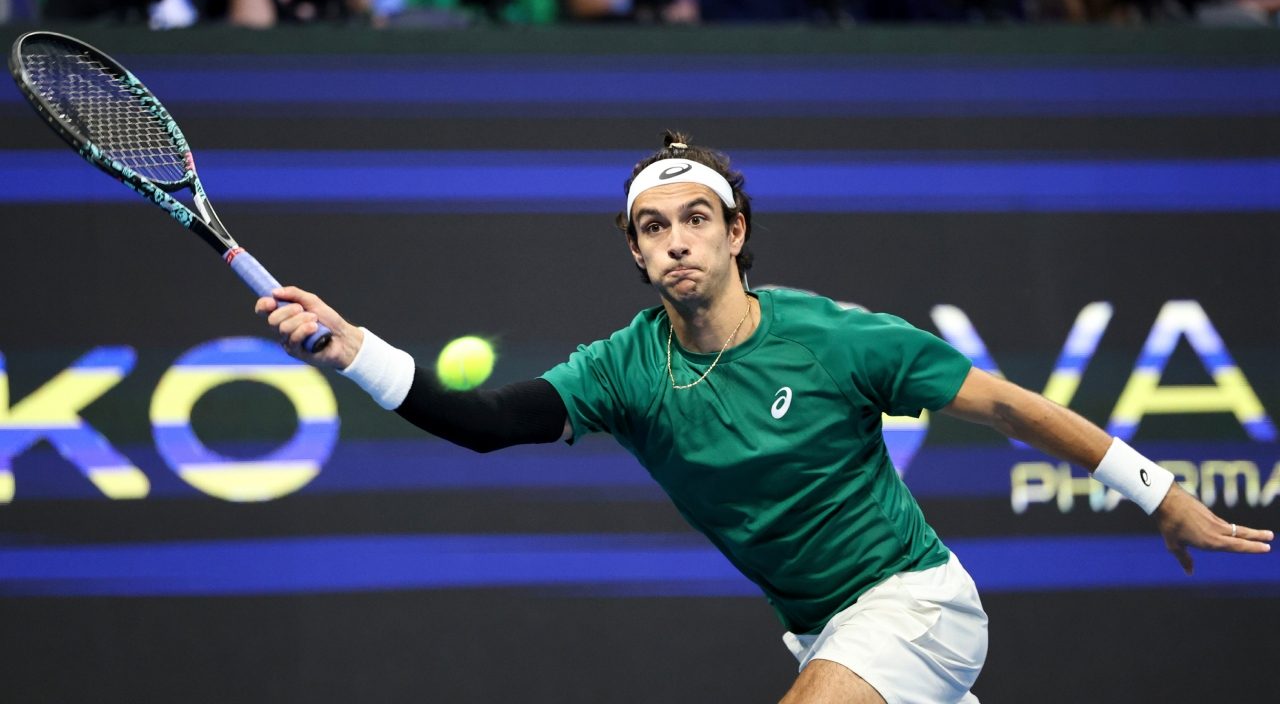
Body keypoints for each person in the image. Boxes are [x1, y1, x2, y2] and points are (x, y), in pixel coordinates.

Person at [257, 132, 1273, 704]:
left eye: (695, 218)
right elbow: (482, 421)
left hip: (913, 602)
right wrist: (352, 349)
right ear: (635, 254)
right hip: (818, 631)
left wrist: (1156, 492)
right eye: (650, 229)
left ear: (734, 232)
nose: (674, 242)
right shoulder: (623, 368)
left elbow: (1005, 404)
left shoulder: (836, 340)